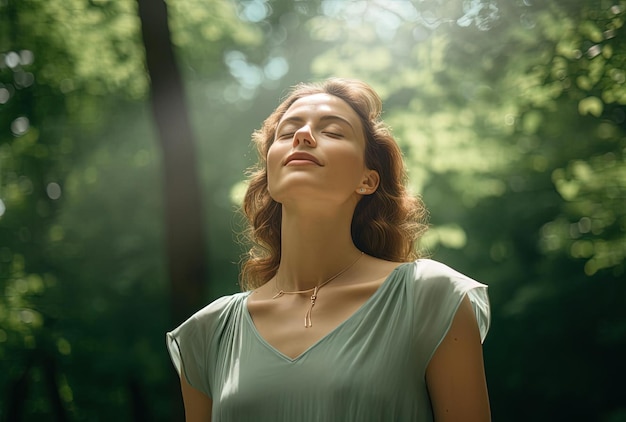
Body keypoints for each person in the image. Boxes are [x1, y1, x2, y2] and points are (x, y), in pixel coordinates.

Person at [166, 78, 491, 422]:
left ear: (367, 180)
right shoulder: (208, 332)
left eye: (333, 132)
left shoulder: (430, 296)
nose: (303, 136)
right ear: (270, 173)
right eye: (288, 132)